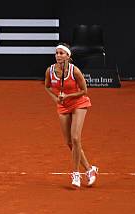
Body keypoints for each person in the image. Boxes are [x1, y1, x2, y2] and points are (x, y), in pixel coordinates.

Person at [45, 43, 98, 188]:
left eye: (62, 53)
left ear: (68, 56)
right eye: (57, 53)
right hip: (62, 105)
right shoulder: (50, 71)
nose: (58, 55)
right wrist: (56, 98)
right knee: (69, 142)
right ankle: (89, 169)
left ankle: (75, 173)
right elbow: (47, 86)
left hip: (79, 103)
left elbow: (84, 90)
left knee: (75, 138)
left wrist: (68, 95)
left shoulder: (75, 71)